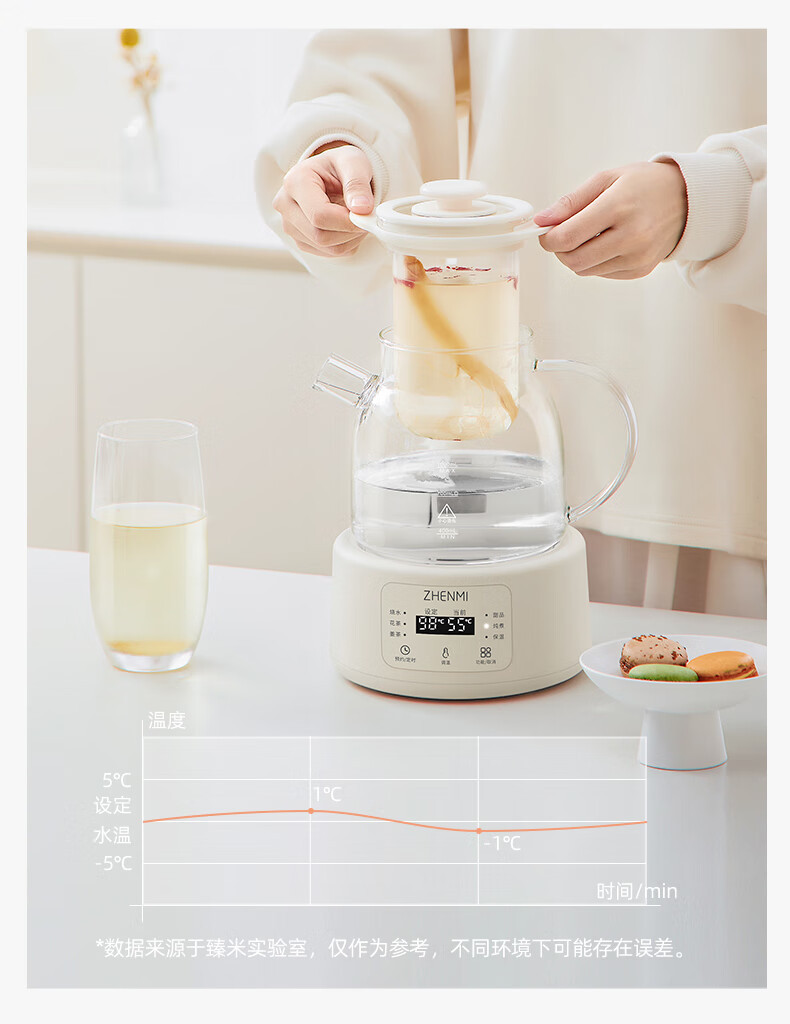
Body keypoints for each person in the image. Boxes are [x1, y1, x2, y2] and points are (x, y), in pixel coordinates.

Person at [256, 29, 767, 616]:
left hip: (736, 428)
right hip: (506, 486)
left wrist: (719, 196)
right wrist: (344, 151)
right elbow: (381, 52)